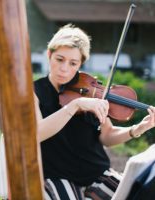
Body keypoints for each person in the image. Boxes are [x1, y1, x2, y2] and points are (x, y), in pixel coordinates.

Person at [34, 24, 155, 200]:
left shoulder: (89, 87)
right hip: (57, 176)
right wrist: (75, 106)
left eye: (73, 63)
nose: (64, 68)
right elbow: (36, 133)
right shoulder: (35, 92)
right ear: (49, 54)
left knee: (137, 195)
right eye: (59, 59)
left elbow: (107, 135)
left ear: (81, 63)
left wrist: (136, 129)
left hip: (96, 172)